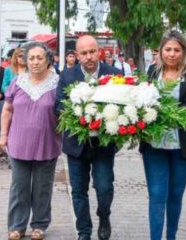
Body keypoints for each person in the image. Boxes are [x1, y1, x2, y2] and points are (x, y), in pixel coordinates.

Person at [55, 35, 122, 240]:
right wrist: (80, 116)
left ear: (99, 51)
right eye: (84, 53)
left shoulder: (114, 75)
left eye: (92, 51)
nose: (89, 57)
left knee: (104, 187)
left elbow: (124, 106)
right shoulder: (67, 75)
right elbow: (58, 106)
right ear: (77, 55)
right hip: (76, 145)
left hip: (103, 144)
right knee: (78, 191)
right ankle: (84, 232)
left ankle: (104, 215)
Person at [140, 30, 186, 240]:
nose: (172, 54)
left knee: (175, 196)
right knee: (157, 195)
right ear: (161, 51)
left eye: (177, 49)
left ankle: (171, 236)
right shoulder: (151, 72)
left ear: (184, 51)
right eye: (168, 49)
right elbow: (142, 100)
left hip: (183, 147)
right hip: (153, 145)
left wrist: (160, 113)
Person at [0, 42, 61, 240]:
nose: (35, 62)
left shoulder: (57, 83)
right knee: (20, 187)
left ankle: (40, 225)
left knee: (43, 188)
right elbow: (7, 109)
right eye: (31, 58)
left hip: (47, 144)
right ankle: (17, 226)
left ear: (48, 60)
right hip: (19, 144)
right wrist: (3, 135)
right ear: (25, 60)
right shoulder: (17, 82)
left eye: (39, 58)